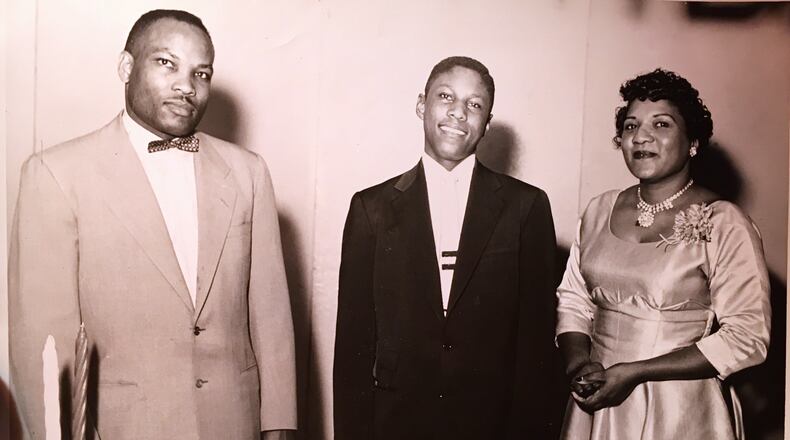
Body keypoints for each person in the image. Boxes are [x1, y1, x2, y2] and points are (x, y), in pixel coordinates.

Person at [9, 10, 296, 440]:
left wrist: (280, 426)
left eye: (201, 72)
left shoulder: (248, 173)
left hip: (232, 425)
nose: (186, 86)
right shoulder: (55, 175)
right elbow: (45, 353)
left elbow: (272, 321)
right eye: (166, 63)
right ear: (126, 67)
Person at [333, 56, 562, 439]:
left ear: (487, 123)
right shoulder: (370, 208)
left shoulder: (527, 207)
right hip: (395, 422)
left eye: (474, 105)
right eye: (446, 96)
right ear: (421, 104)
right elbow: (353, 344)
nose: (458, 113)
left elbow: (536, 345)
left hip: (492, 423)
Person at [555, 68, 771, 439]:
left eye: (661, 124)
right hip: (596, 398)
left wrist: (636, 371)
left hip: (680, 408)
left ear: (693, 142)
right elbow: (573, 301)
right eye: (630, 126)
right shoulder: (597, 210)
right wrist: (578, 364)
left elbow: (747, 336)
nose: (641, 137)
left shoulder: (724, 222)